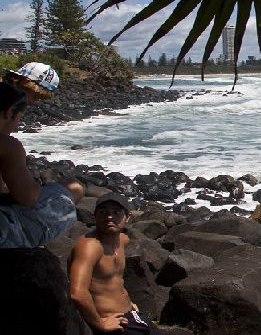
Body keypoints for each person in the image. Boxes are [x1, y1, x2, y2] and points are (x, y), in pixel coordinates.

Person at [0, 82, 83, 247]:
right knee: (73, 189)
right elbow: (28, 197)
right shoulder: (8, 145)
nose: (17, 125)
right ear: (9, 113)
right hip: (4, 232)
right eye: (19, 119)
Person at [69, 193, 162, 334]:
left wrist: (127, 302)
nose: (110, 217)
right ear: (95, 216)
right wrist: (100, 324)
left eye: (116, 212)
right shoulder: (90, 246)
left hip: (130, 315)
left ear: (127, 217)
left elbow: (113, 280)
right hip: (111, 321)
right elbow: (77, 293)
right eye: (103, 212)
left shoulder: (122, 240)